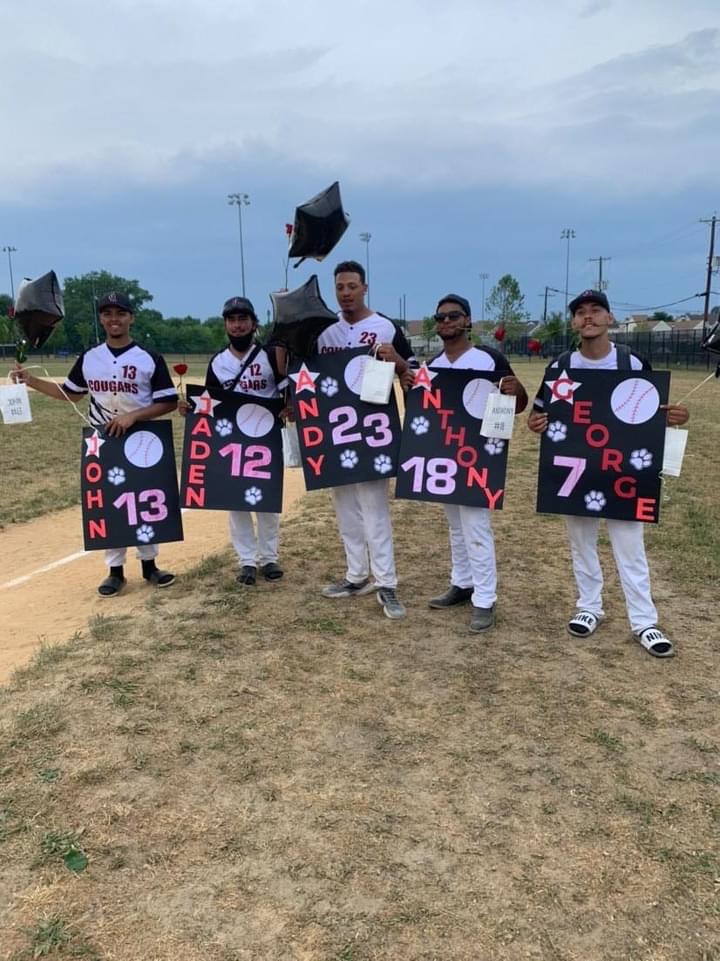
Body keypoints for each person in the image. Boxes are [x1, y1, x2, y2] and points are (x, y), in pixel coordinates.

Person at [527, 289, 689, 658]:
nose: (588, 317)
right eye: (580, 312)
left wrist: (677, 417)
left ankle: (644, 621)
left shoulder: (632, 363)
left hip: (623, 467)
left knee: (630, 545)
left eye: (595, 310)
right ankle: (589, 606)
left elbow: (655, 411)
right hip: (577, 468)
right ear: (573, 321)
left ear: (609, 318)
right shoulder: (561, 367)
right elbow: (538, 415)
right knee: (581, 542)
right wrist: (536, 423)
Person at [12, 292, 178, 597]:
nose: (114, 319)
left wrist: (134, 416)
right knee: (109, 502)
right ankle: (115, 571)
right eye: (107, 313)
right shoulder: (91, 357)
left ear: (131, 317)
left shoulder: (148, 357)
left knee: (144, 501)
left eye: (121, 313)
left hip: (141, 437)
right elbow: (72, 394)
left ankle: (150, 565)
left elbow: (168, 401)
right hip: (102, 440)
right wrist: (31, 381)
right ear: (101, 318)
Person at [404, 294, 528, 632]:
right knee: (455, 523)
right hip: (446, 453)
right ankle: (463, 581)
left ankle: (485, 598)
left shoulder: (489, 359)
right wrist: (406, 381)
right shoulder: (433, 365)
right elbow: (420, 405)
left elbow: (518, 403)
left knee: (475, 525)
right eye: (440, 317)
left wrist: (514, 389)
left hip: (478, 454)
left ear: (467, 320)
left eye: (453, 316)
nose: (446, 322)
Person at [316, 260, 414, 619]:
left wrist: (398, 361)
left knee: (374, 508)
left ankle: (386, 582)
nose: (345, 293)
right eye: (340, 287)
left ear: (365, 287)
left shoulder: (385, 326)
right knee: (345, 508)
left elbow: (413, 374)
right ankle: (356, 574)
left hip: (372, 429)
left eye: (352, 286)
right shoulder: (325, 330)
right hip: (335, 431)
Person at [201, 296, 284, 586]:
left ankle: (269, 557)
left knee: (267, 503)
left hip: (266, 438)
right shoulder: (218, 362)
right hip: (233, 440)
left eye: (243, 320)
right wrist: (193, 409)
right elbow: (209, 401)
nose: (237, 326)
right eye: (232, 320)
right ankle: (246, 561)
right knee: (237, 502)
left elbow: (286, 390)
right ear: (225, 324)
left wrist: (289, 405)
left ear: (253, 323)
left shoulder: (270, 355)